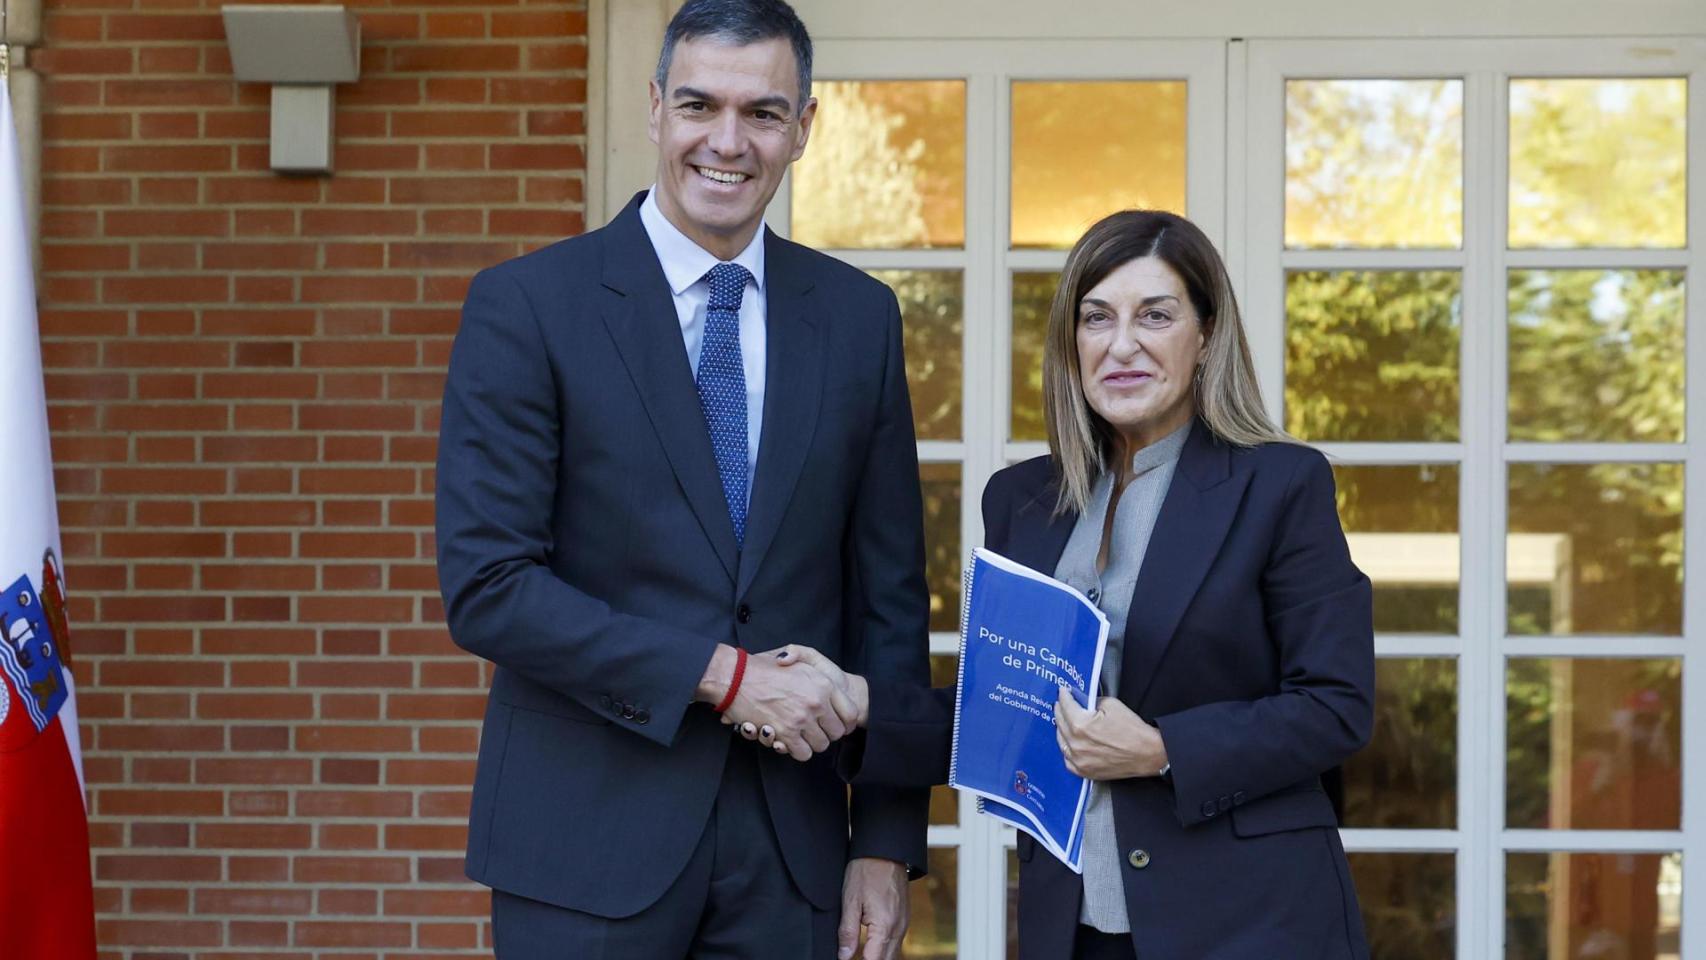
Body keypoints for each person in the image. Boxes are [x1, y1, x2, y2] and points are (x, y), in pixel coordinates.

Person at [433, 2, 930, 958]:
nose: (728, 143)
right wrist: (726, 678)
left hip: (795, 854)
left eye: (765, 113)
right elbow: (490, 588)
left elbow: (889, 606)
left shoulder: (860, 320)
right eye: (701, 105)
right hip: (584, 839)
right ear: (656, 108)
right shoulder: (529, 307)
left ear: (805, 129)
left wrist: (887, 842)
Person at [770, 210, 1376, 959]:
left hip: (1250, 920)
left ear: (1207, 334)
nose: (1122, 345)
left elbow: (1335, 706)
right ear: (1072, 341)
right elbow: (1007, 715)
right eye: (1097, 319)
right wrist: (862, 706)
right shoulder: (1022, 501)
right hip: (1076, 924)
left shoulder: (1282, 485)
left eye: (1155, 316)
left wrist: (1162, 749)